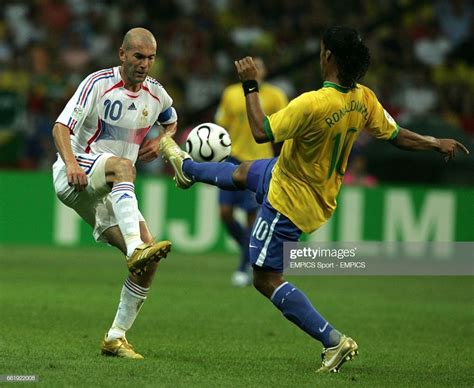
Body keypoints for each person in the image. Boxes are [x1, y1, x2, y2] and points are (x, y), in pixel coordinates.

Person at [159, 25, 469, 373]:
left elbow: (262, 131)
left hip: (290, 198)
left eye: (321, 49)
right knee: (244, 172)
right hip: (298, 178)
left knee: (265, 278)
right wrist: (433, 142)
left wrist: (249, 84)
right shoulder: (363, 98)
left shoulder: (312, 103)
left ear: (328, 56)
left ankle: (333, 341)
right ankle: (187, 169)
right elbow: (395, 135)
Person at [52, 27, 178, 359]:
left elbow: (171, 120)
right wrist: (70, 165)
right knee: (124, 167)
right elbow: (60, 127)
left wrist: (162, 140)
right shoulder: (97, 84)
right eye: (138, 56)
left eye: (151, 58)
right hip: (76, 176)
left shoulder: (156, 94)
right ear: (122, 54)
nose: (145, 64)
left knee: (148, 259)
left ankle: (115, 337)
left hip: (110, 191)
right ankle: (134, 248)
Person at [214, 57, 288, 287]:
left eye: (259, 67)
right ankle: (247, 250)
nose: (256, 70)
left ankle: (242, 267)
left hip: (260, 161)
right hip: (233, 158)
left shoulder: (276, 96)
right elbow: (221, 125)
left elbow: (285, 129)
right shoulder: (230, 93)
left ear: (265, 71)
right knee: (224, 213)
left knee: (251, 220)